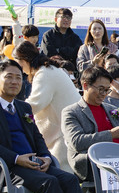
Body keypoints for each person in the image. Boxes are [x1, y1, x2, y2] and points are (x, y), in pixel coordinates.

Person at [0, 60, 102, 193]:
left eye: (18, 78)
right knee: (50, 182)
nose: (14, 82)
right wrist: (17, 159)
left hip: (35, 163)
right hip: (10, 167)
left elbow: (37, 136)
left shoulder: (23, 107)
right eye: (9, 77)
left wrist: (46, 156)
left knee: (70, 179)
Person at [12, 41, 82, 173]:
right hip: (68, 123)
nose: (19, 68)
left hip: (64, 128)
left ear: (25, 60)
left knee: (62, 172)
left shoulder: (44, 73)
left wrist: (11, 108)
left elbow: (35, 104)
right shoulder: (48, 69)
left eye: (18, 63)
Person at [40, 8, 83, 72]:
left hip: (70, 72)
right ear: (56, 19)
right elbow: (49, 54)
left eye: (69, 18)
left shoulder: (75, 38)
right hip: (52, 70)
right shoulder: (48, 35)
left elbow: (77, 54)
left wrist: (59, 50)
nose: (66, 20)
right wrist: (68, 52)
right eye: (63, 17)